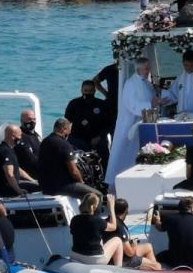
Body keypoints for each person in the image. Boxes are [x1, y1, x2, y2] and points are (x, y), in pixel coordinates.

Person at [107, 57, 156, 186]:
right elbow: (132, 105)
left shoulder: (146, 82)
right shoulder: (130, 83)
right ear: (138, 68)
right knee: (126, 154)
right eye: (146, 68)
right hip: (130, 124)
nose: (148, 70)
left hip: (144, 122)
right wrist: (151, 103)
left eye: (149, 68)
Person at [38, 118, 101, 199]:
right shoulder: (64, 144)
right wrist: (82, 182)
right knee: (98, 195)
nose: (70, 133)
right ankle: (88, 211)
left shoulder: (45, 142)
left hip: (46, 187)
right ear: (63, 129)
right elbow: (74, 171)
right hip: (61, 187)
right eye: (69, 130)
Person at [152, 196, 193, 269]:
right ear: (192, 209)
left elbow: (160, 228)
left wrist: (156, 219)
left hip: (175, 262)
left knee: (157, 257)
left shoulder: (170, 219)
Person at [69, 193, 123, 266]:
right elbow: (113, 227)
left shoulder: (74, 219)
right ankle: (118, 269)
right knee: (117, 240)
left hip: (76, 256)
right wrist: (111, 208)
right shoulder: (97, 221)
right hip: (94, 260)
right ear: (95, 207)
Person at [107, 198, 162, 270]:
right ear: (126, 211)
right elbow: (130, 253)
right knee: (157, 266)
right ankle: (154, 269)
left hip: (114, 255)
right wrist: (134, 245)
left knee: (148, 246)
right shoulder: (120, 227)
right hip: (123, 260)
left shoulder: (108, 222)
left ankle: (150, 268)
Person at [64, 79, 110, 163]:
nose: (88, 93)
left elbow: (108, 125)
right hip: (77, 138)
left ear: (94, 91)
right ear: (81, 90)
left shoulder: (102, 105)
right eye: (85, 90)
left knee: (104, 158)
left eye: (90, 91)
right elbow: (67, 121)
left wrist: (99, 137)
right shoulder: (74, 104)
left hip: (97, 138)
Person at [0, 125, 38, 197]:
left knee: (37, 184)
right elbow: (9, 174)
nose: (21, 138)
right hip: (6, 189)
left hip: (13, 184)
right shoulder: (5, 152)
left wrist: (32, 180)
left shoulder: (9, 149)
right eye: (19, 136)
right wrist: (19, 191)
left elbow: (17, 168)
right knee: (40, 188)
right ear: (13, 136)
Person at [93, 58, 120, 134]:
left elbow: (95, 80)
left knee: (113, 129)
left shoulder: (109, 69)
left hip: (112, 100)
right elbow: (95, 81)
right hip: (113, 102)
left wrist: (106, 94)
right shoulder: (110, 69)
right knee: (113, 128)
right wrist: (105, 93)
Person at [15, 109, 41, 180]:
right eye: (29, 119)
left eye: (34, 119)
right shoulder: (20, 137)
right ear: (22, 121)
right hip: (30, 174)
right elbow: (30, 159)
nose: (32, 122)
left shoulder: (35, 135)